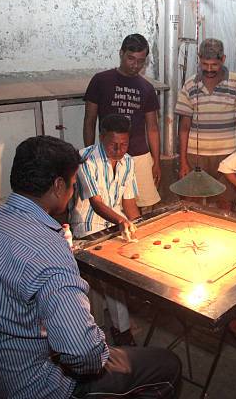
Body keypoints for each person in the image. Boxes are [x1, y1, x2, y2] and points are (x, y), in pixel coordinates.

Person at [0, 135, 180, 399]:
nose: (73, 192)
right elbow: (84, 354)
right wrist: (97, 343)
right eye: (73, 184)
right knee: (166, 364)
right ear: (59, 186)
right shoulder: (48, 250)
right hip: (38, 387)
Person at [71, 114, 140, 346]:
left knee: (115, 282)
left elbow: (129, 202)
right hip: (88, 228)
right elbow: (97, 203)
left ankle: (121, 330)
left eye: (125, 144)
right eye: (114, 145)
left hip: (117, 226)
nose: (120, 150)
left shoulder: (128, 161)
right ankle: (98, 333)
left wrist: (142, 227)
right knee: (96, 285)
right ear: (101, 138)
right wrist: (122, 222)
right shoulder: (85, 159)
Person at [83, 33, 161, 213]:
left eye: (141, 61)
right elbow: (89, 120)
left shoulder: (147, 88)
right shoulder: (100, 80)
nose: (135, 65)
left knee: (146, 206)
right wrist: (89, 153)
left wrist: (156, 161)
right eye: (131, 58)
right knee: (111, 205)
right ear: (121, 53)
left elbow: (153, 128)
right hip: (109, 153)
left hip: (140, 155)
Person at [175, 38, 236, 210]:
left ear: (223, 59)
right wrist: (183, 162)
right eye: (205, 64)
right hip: (195, 156)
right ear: (199, 58)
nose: (209, 69)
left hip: (227, 155)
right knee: (192, 201)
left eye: (214, 65)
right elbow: (184, 127)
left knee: (226, 201)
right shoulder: (190, 84)